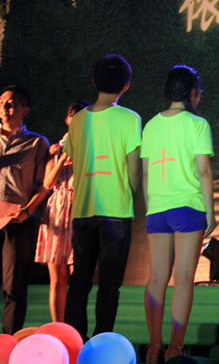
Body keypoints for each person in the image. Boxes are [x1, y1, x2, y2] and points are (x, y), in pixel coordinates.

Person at [141, 65, 215, 364]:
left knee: (157, 276)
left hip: (157, 209)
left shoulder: (151, 125)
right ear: (193, 93)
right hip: (188, 207)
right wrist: (211, 212)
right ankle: (175, 347)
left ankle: (153, 347)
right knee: (183, 277)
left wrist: (151, 205)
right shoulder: (198, 124)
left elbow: (146, 173)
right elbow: (204, 171)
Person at [64, 55, 141, 341]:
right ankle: (101, 346)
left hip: (83, 210)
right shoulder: (130, 118)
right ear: (126, 85)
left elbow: (74, 160)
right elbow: (133, 171)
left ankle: (72, 345)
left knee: (79, 282)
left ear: (94, 81)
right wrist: (134, 191)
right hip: (116, 211)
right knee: (109, 285)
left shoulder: (78, 119)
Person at [0, 86, 50, 334]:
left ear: (25, 110)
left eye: (12, 104)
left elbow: (44, 185)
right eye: (2, 103)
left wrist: (27, 210)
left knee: (14, 287)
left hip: (17, 221)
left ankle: (7, 344)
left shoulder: (37, 143)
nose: (5, 108)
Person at [35, 100, 90, 323]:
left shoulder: (93, 146)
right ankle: (57, 327)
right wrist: (62, 158)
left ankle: (76, 327)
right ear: (67, 120)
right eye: (73, 117)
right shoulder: (56, 149)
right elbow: (48, 183)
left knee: (79, 277)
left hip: (82, 209)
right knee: (57, 278)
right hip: (58, 209)